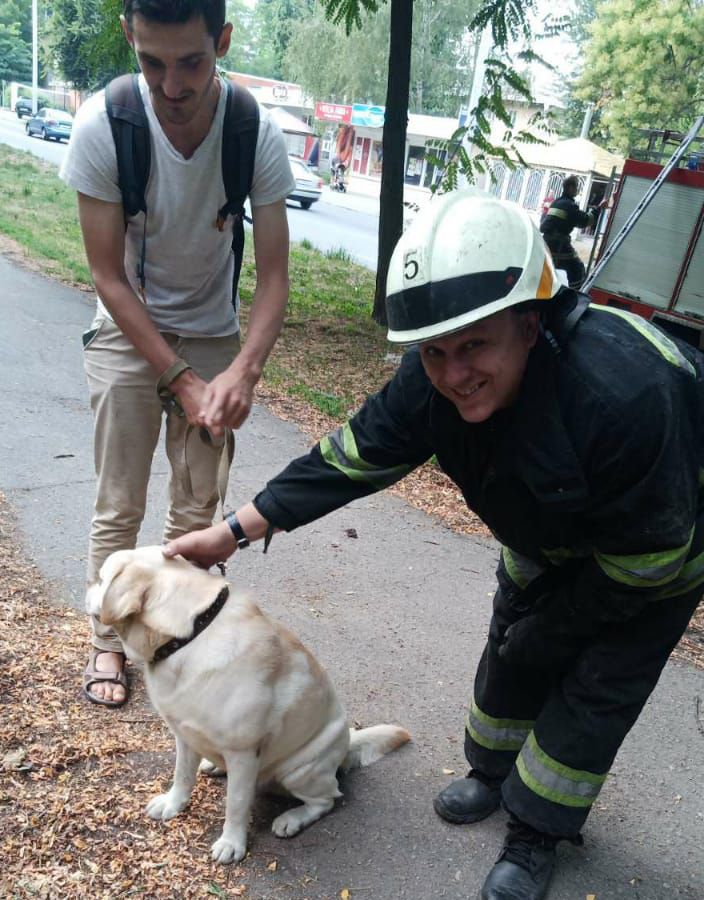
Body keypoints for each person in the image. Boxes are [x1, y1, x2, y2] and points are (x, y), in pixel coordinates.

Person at [164, 190, 703, 900]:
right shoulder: (431, 382)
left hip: (654, 560)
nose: (453, 376)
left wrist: (561, 622)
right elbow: (346, 461)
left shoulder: (620, 396)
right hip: (545, 540)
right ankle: (490, 774)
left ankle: (537, 833)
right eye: (436, 352)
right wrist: (231, 533)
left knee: (591, 689)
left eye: (475, 345)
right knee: (510, 655)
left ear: (530, 322)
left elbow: (651, 554)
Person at [59, 0, 294, 708]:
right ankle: (108, 643)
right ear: (131, 37)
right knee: (119, 502)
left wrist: (242, 372)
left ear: (221, 41)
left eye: (191, 62)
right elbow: (107, 275)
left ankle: (176, 636)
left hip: (213, 332)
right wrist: (180, 379)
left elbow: (275, 276)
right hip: (126, 330)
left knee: (197, 510)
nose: (171, 85)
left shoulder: (253, 131)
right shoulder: (104, 125)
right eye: (151, 62)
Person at [539, 174, 596, 289]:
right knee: (577, 268)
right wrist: (597, 209)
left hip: (546, 243)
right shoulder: (570, 205)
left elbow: (543, 222)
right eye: (576, 188)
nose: (577, 190)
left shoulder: (556, 202)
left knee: (550, 269)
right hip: (559, 245)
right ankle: (575, 294)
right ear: (570, 188)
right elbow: (584, 221)